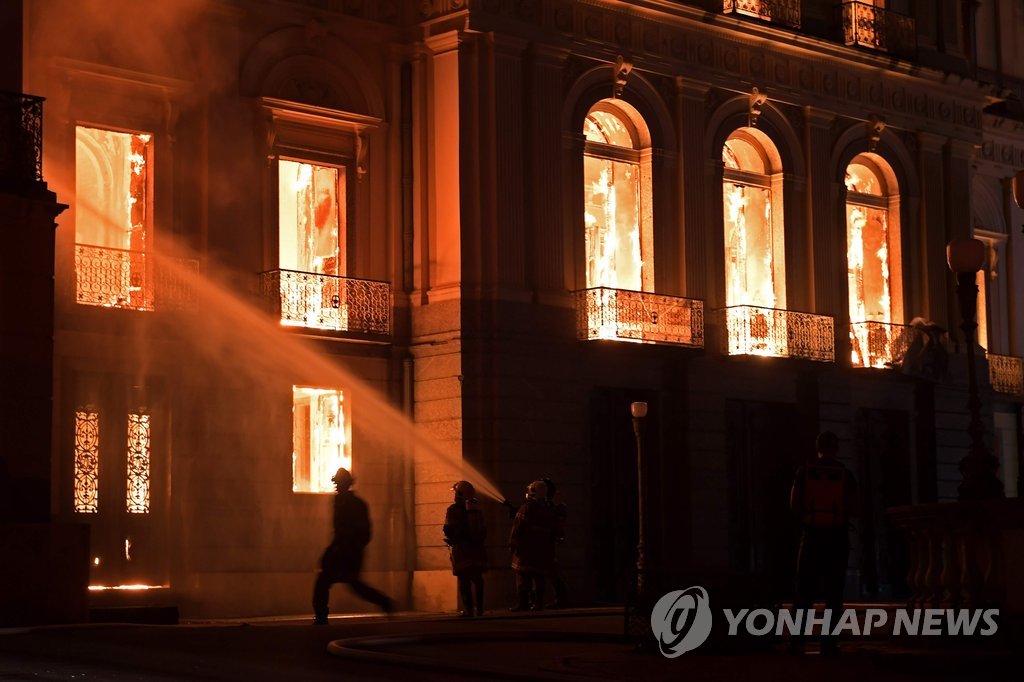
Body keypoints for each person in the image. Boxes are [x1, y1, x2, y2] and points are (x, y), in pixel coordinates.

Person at [789, 432, 858, 655]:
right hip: (836, 538)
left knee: (803, 592)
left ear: (817, 447)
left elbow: (794, 504)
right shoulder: (845, 474)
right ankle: (828, 644)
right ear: (836, 448)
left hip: (811, 537)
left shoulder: (804, 472)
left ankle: (798, 641)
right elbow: (854, 507)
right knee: (834, 594)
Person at [312, 467, 394, 624]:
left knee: (351, 584)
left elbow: (364, 532)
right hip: (339, 551)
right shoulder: (338, 502)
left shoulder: (357, 504)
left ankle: (384, 602)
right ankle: (321, 615)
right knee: (326, 580)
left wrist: (352, 549)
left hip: (350, 553)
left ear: (347, 485)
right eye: (337, 484)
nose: (337, 487)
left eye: (339, 484)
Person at [508, 480, 558, 611]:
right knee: (539, 577)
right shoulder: (549, 509)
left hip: (526, 550)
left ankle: (523, 603)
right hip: (542, 550)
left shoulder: (527, 508)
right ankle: (538, 603)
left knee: (522, 576)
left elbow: (518, 527)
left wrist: (512, 543)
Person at [443, 480, 487, 617]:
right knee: (478, 579)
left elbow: (449, 529)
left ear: (459, 494)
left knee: (464, 580)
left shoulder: (453, 510)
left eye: (456, 493)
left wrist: (451, 537)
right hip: (477, 551)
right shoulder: (477, 511)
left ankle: (468, 610)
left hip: (461, 550)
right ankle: (480, 609)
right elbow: (483, 531)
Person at [541, 477, 569, 609]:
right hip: (546, 543)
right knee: (550, 571)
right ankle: (559, 599)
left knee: (551, 572)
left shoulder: (550, 507)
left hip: (547, 544)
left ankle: (561, 599)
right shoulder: (550, 507)